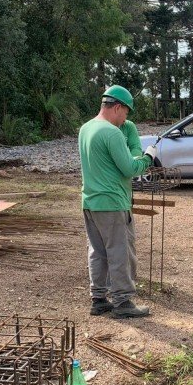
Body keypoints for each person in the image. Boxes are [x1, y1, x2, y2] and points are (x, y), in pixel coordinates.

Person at [78, 85, 158, 318]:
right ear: (117, 107)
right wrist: (148, 157)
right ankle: (123, 302)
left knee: (97, 252)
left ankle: (99, 299)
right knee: (120, 252)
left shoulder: (86, 128)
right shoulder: (111, 132)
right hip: (112, 203)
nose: (125, 119)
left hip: (90, 202)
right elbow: (130, 168)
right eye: (126, 113)